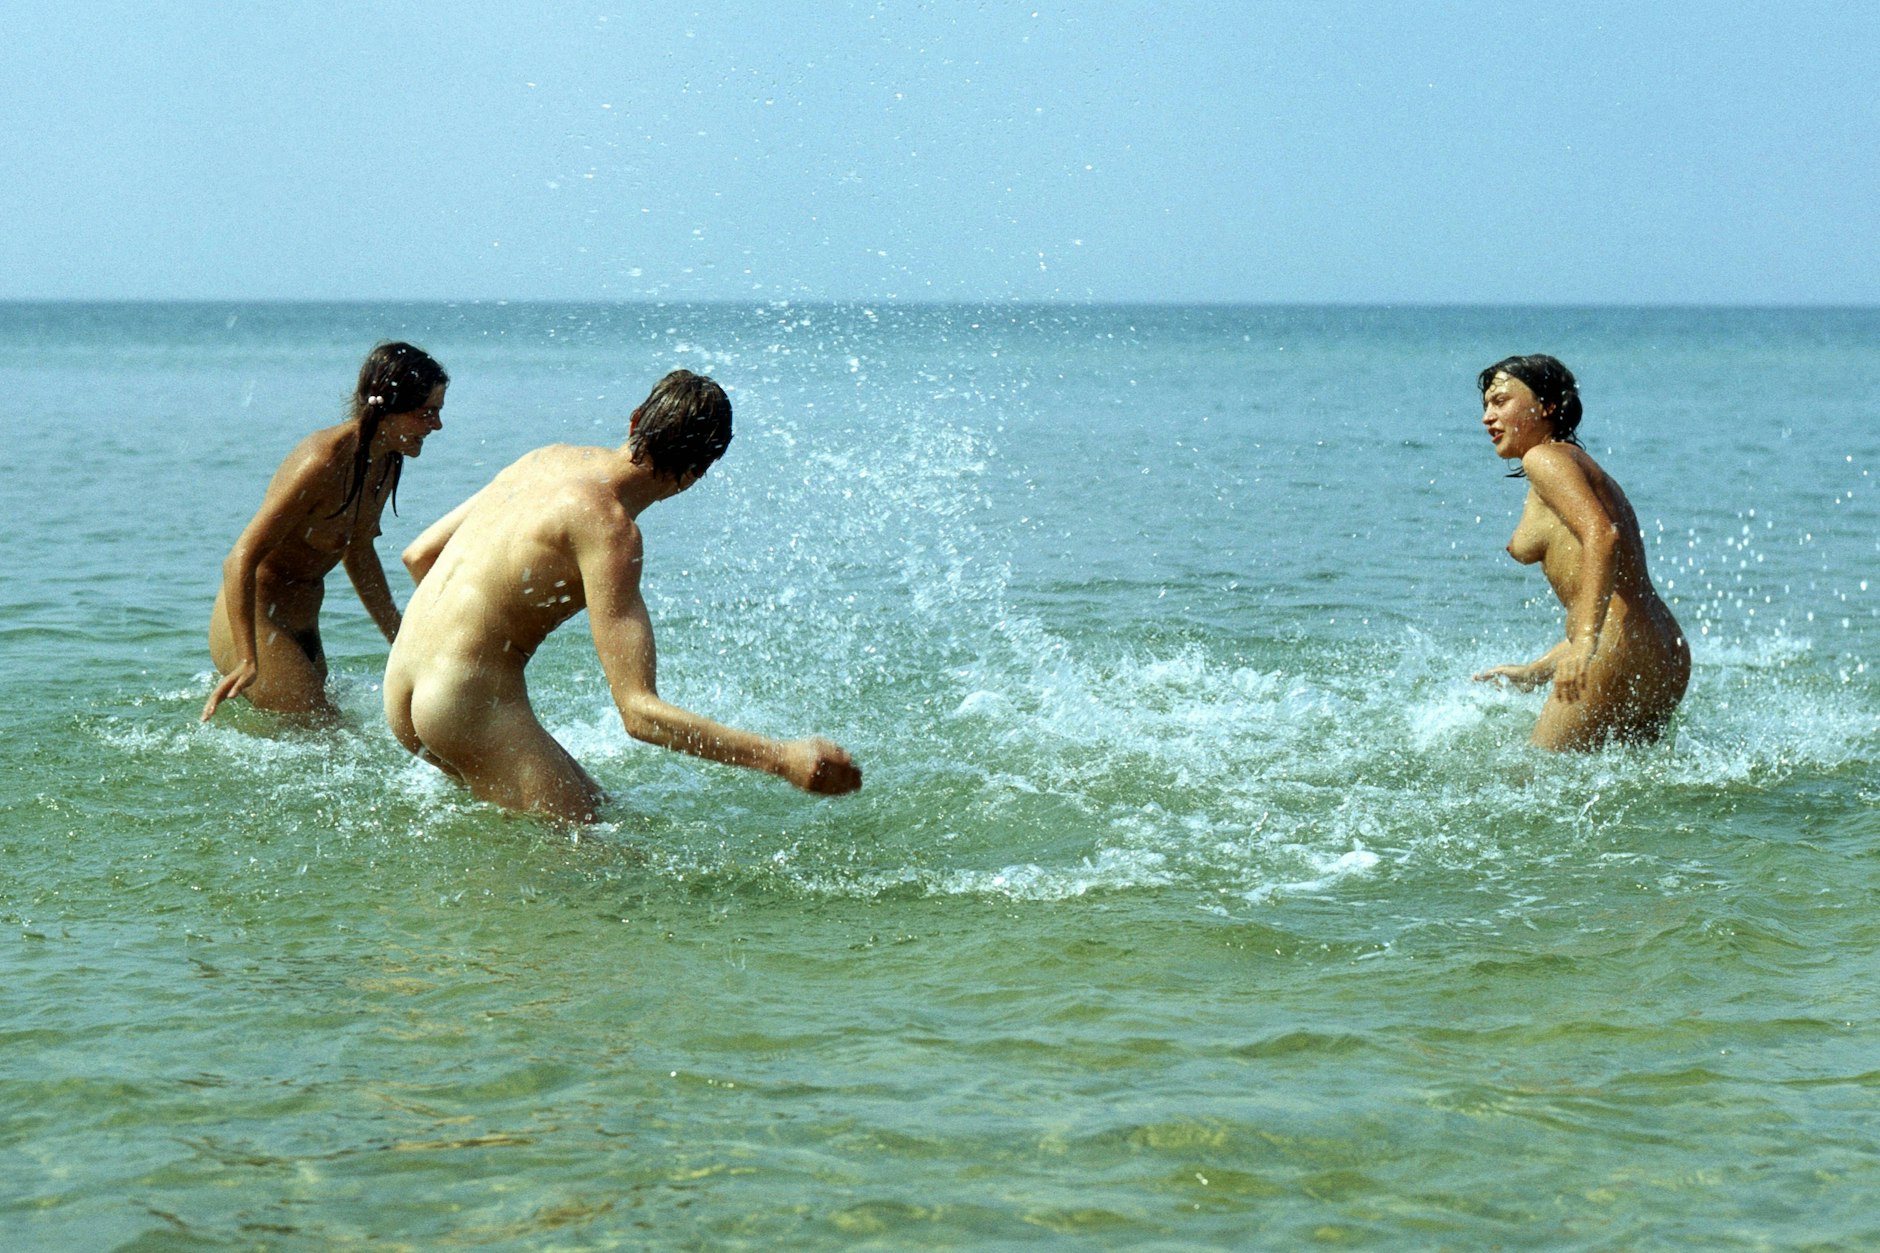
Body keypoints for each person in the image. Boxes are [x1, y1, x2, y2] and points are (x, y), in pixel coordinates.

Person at [383, 369, 861, 823]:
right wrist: (782, 759)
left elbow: (419, 555)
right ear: (698, 472)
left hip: (401, 683)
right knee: (601, 866)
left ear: (634, 419)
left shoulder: (544, 459)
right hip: (463, 705)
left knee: (603, 818)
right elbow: (638, 714)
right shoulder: (612, 533)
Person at [204, 342, 449, 722]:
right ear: (388, 409)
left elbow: (359, 553)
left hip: (304, 623)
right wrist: (248, 657)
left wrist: (401, 641)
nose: (436, 425)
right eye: (426, 413)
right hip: (257, 621)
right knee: (326, 736)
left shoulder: (385, 460)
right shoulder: (322, 461)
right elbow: (240, 558)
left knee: (328, 736)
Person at [1471, 355, 1690, 750]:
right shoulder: (1577, 467)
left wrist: (1587, 642)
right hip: (1664, 647)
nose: (1488, 416)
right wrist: (1537, 671)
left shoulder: (1545, 459)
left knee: (1531, 784)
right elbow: (1618, 593)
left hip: (1614, 646)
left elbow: (1602, 536)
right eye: (1486, 405)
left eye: (1501, 401)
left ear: (1547, 406)